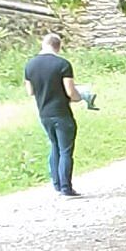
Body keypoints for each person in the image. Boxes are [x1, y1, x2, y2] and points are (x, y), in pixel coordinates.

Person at [23, 33, 86, 197]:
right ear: (58, 46)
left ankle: (57, 184)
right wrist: (82, 97)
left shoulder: (30, 65)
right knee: (66, 150)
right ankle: (66, 187)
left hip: (44, 113)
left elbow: (30, 91)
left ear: (44, 44)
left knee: (54, 147)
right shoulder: (62, 64)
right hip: (61, 112)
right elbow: (71, 92)